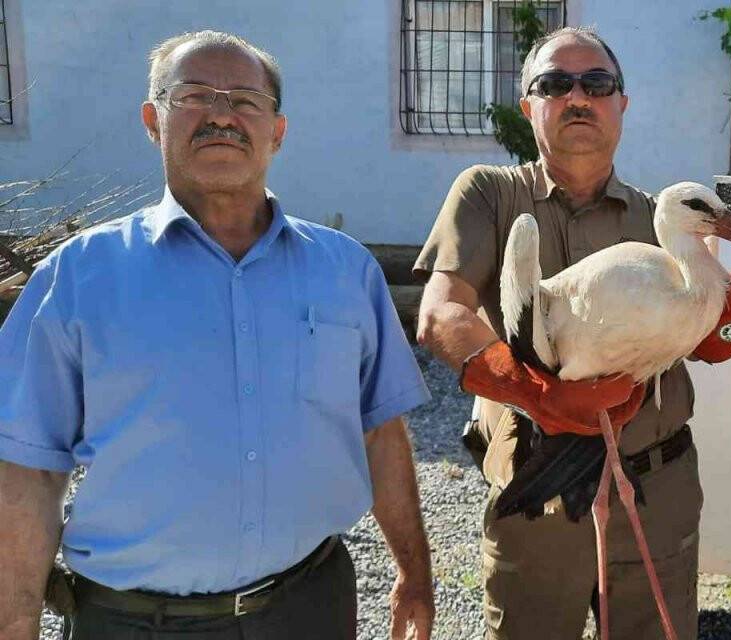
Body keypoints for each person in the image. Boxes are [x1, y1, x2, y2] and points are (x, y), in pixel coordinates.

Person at [0, 31, 435, 640]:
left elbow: (380, 431)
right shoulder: (77, 278)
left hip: (306, 610)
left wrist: (415, 574)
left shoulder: (345, 271)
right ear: (153, 121)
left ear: (277, 132)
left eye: (246, 101)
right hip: (133, 623)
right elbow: (27, 469)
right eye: (195, 95)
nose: (223, 115)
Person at [414, 26, 731, 640]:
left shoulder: (664, 215)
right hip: (538, 475)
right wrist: (534, 394)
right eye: (554, 84)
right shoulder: (489, 195)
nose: (578, 96)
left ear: (621, 104)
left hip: (656, 486)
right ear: (529, 106)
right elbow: (441, 314)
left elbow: (710, 342)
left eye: (597, 83)